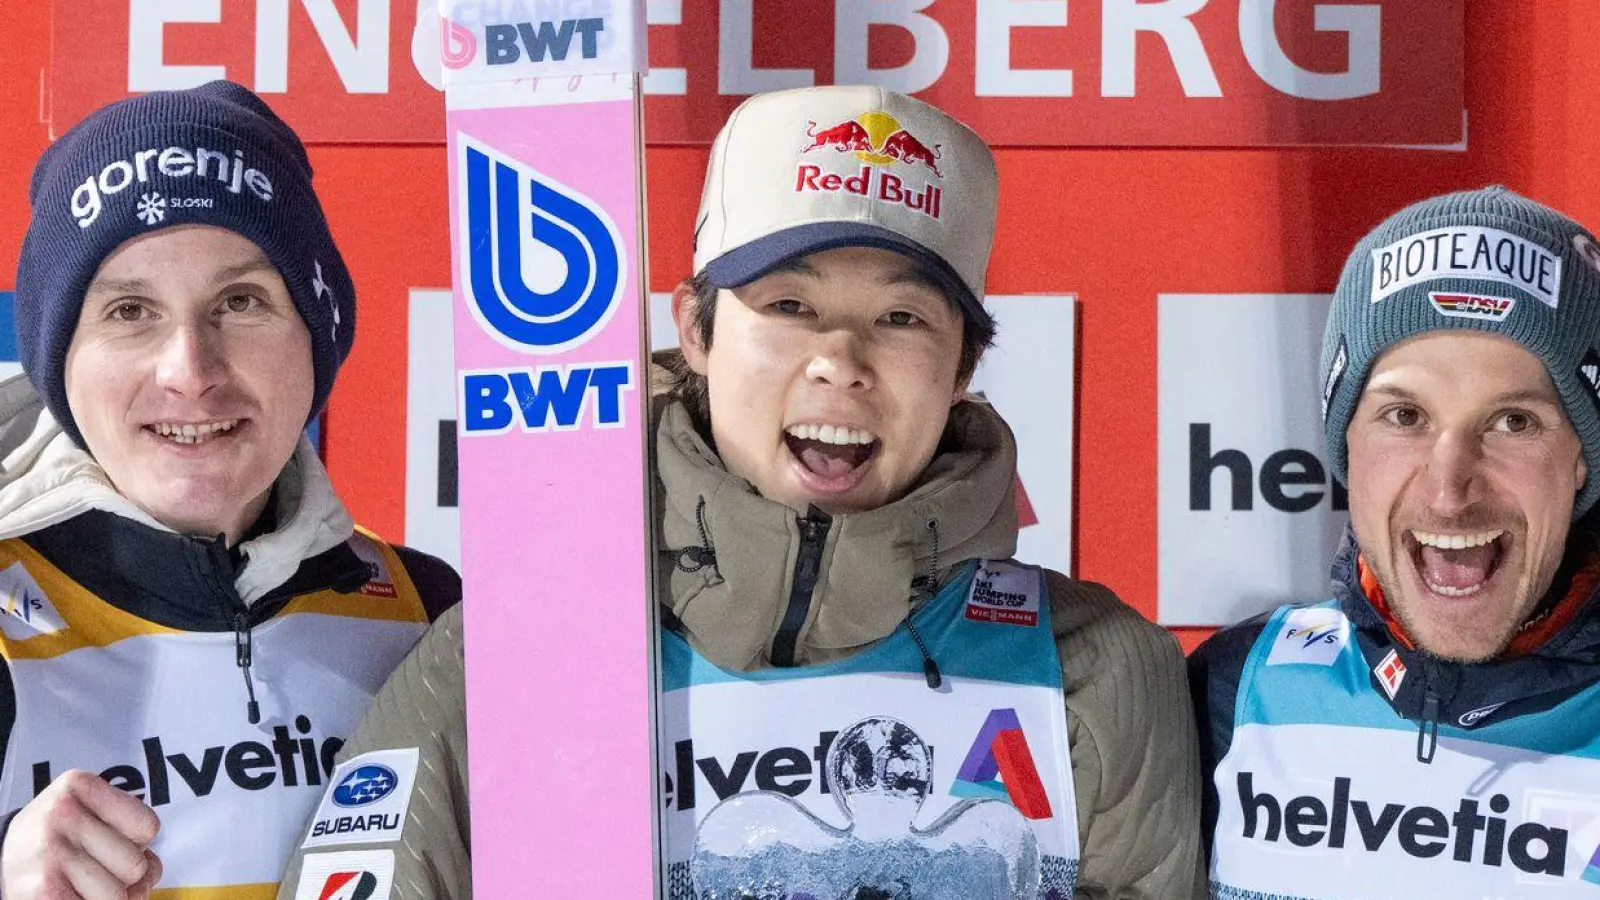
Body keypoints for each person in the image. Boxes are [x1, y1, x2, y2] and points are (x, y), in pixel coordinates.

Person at [279, 85, 1202, 900]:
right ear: (697, 329)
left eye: (900, 317)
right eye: (790, 306)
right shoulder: (513, 654)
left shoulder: (1095, 671)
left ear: (964, 365)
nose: (839, 361)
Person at [1, 81, 458, 899]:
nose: (191, 372)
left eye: (240, 301)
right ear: (60, 363)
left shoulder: (429, 614)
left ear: (314, 338)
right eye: (129, 310)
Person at [1190, 186, 1600, 899]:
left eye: (1513, 423)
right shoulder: (1238, 689)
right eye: (1404, 414)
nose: (1449, 489)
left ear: (1581, 459)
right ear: (1345, 442)